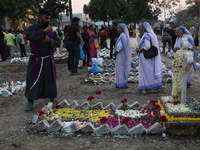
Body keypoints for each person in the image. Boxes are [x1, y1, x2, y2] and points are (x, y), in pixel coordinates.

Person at [24, 9, 60, 111]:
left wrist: (50, 41)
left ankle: (52, 99)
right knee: (33, 78)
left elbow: (58, 42)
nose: (48, 20)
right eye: (45, 18)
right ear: (39, 16)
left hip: (48, 59)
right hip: (36, 59)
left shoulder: (52, 30)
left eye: (49, 18)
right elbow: (31, 36)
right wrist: (44, 32)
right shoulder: (32, 28)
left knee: (50, 79)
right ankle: (30, 101)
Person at [136, 22, 163, 94]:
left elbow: (147, 46)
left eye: (141, 27)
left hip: (145, 56)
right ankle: (149, 85)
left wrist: (140, 50)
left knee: (147, 71)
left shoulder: (146, 36)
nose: (140, 29)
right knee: (148, 70)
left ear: (144, 28)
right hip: (145, 57)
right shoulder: (147, 35)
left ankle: (150, 85)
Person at [114, 23, 131, 89]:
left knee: (121, 68)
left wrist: (115, 53)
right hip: (122, 55)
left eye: (119, 28)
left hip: (121, 55)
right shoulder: (123, 36)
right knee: (121, 68)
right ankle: (121, 82)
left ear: (122, 29)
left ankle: (121, 83)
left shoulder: (122, 36)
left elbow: (119, 47)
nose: (117, 29)